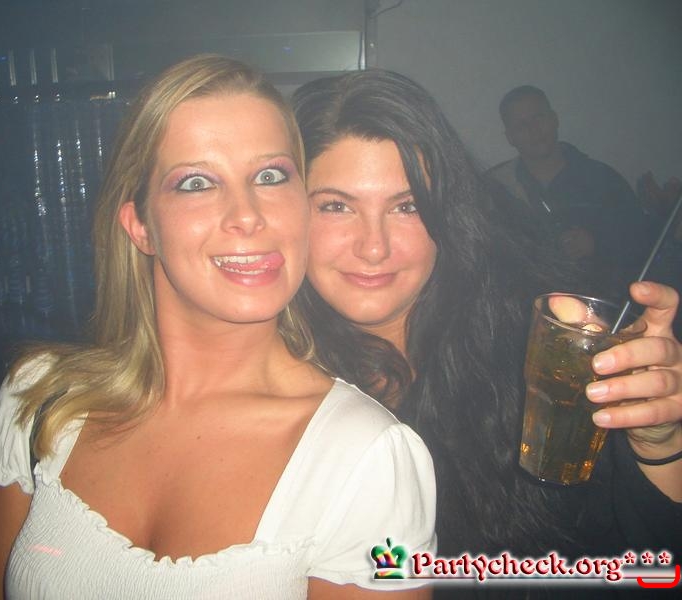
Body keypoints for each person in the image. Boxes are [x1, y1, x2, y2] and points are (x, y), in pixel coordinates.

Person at [0, 56, 437, 600]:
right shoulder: (39, 400)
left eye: (270, 176)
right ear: (140, 226)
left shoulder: (366, 458)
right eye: (196, 183)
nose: (248, 215)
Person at [291, 69, 682, 597]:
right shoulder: (272, 379)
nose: (374, 246)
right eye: (336, 206)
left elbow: (651, 560)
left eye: (407, 206)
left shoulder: (534, 346)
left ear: (446, 215)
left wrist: (660, 442)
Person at [487, 85, 653, 300]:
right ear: (510, 137)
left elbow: (643, 241)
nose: (534, 130)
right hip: (532, 310)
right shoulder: (499, 191)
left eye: (538, 117)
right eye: (521, 125)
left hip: (603, 305)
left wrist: (596, 242)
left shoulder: (602, 178)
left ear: (554, 119)